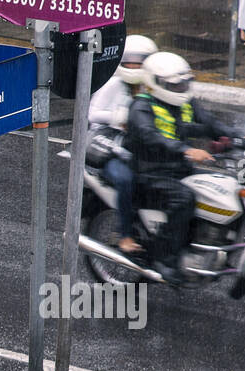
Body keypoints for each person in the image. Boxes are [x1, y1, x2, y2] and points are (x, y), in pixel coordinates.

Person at [125, 51, 245, 285]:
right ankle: (165, 259)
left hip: (178, 169)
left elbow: (210, 123)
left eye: (184, 83)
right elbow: (150, 136)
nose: (181, 89)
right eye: (175, 85)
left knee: (222, 187)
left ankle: (208, 244)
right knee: (184, 199)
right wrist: (185, 150)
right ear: (156, 83)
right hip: (149, 173)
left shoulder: (185, 103)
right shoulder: (141, 107)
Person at [89, 35, 158, 254]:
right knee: (125, 179)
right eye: (131, 61)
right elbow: (92, 114)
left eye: (141, 62)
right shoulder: (113, 83)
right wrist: (118, 116)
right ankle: (124, 234)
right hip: (108, 147)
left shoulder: (150, 87)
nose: (135, 66)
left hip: (135, 147)